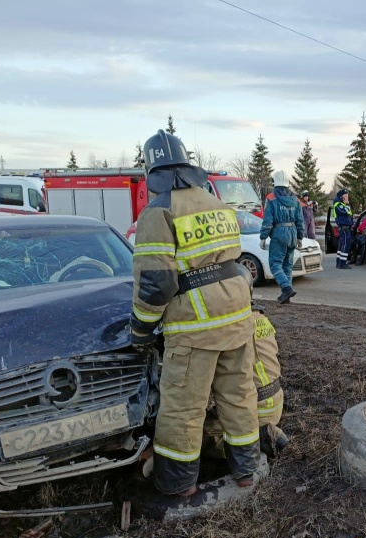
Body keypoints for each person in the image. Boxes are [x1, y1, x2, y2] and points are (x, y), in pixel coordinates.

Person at [130, 129, 260, 497]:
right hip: (237, 317)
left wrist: (141, 330)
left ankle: (178, 485)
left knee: (183, 408)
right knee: (239, 395)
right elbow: (231, 263)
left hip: (195, 327)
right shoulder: (218, 205)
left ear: (152, 171)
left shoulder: (158, 212)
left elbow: (155, 283)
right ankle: (246, 471)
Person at [202, 305, 289, 461]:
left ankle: (257, 442)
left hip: (252, 408)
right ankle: (263, 431)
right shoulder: (259, 316)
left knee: (198, 435)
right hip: (275, 402)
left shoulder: (230, 324)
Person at [259, 171, 305, 304]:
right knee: (287, 266)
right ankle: (287, 296)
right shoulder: (295, 199)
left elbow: (268, 220)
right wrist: (300, 237)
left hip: (279, 233)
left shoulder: (272, 198)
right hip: (292, 233)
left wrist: (263, 237)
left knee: (275, 264)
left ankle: (286, 289)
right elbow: (300, 220)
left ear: (275, 182)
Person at [332, 189, 354, 269]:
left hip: (345, 228)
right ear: (342, 197)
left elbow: (348, 214)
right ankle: (342, 264)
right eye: (346, 196)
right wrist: (347, 204)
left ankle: (339, 262)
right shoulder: (338, 205)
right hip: (344, 228)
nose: (347, 198)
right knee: (345, 245)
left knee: (341, 245)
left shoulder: (342, 204)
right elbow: (345, 212)